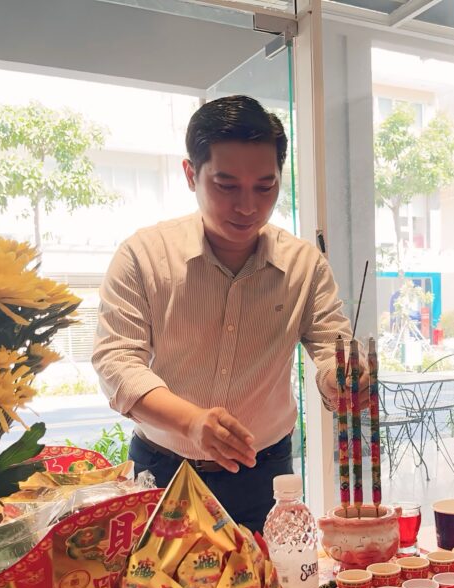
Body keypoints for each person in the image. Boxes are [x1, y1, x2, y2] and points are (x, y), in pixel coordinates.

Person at [93, 95, 364, 533]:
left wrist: (341, 378)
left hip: (263, 475)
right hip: (163, 471)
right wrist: (191, 422)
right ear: (190, 174)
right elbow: (116, 362)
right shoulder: (143, 256)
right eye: (226, 185)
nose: (248, 206)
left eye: (265, 186)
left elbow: (333, 346)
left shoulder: (304, 265)